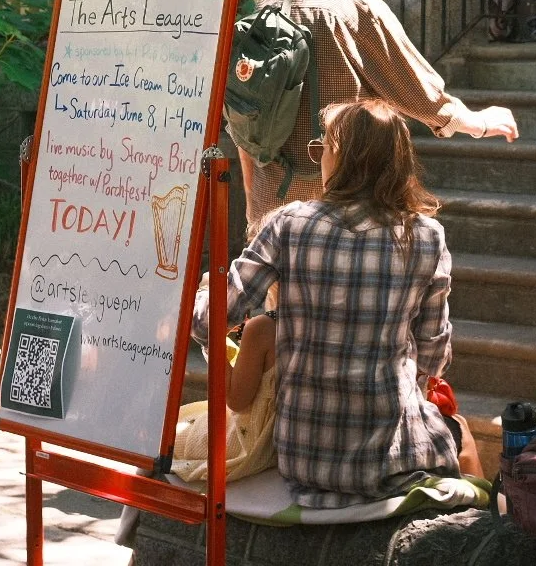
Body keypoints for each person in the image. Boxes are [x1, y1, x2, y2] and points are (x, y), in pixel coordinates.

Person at [194, 99, 482, 508]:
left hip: (306, 461)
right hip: (394, 457)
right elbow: (434, 359)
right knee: (461, 435)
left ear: (342, 157)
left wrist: (204, 291)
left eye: (324, 147)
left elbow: (210, 322)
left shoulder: (288, 224)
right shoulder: (427, 237)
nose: (321, 158)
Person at [239, 0, 518, 227]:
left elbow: (241, 104)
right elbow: (416, 90)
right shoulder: (358, 4)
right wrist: (478, 123)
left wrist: (252, 205)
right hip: (336, 202)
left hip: (271, 201)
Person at [172, 281, 278, 485]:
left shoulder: (263, 328)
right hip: (285, 439)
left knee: (171, 436)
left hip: (255, 443)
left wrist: (213, 341)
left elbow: (236, 400)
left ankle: (136, 497)